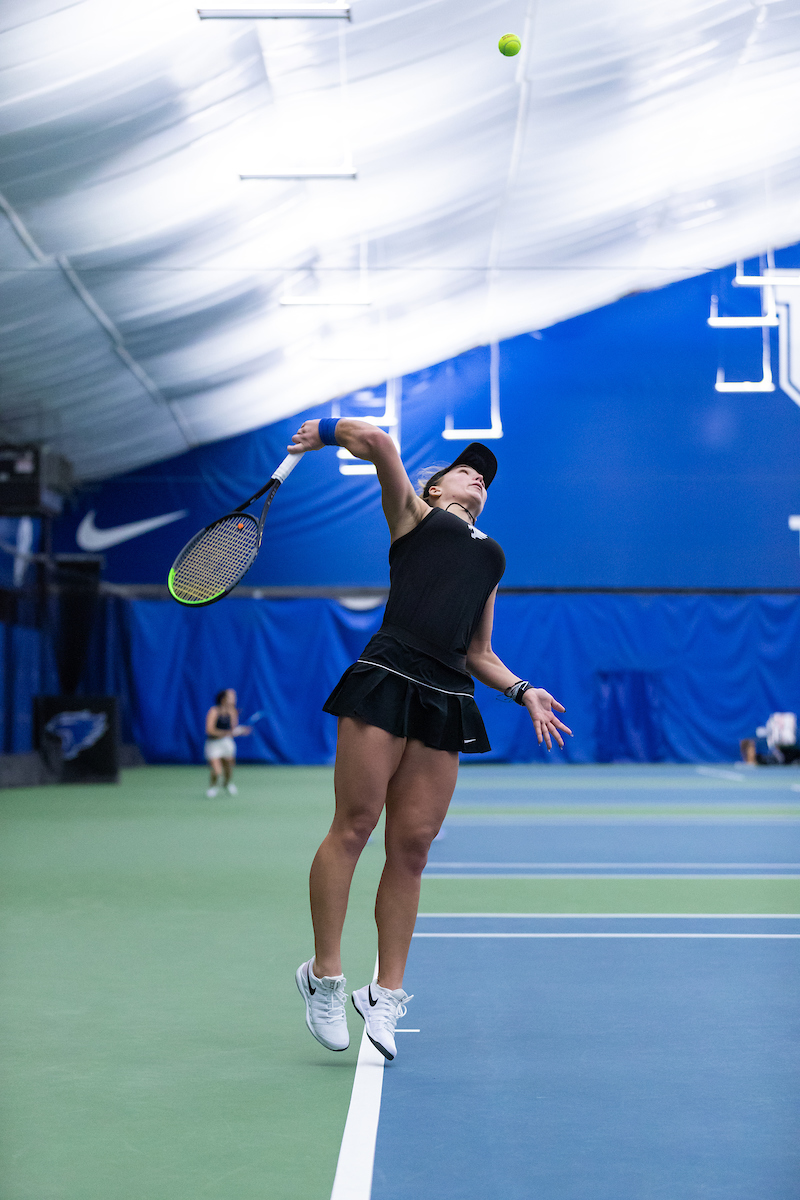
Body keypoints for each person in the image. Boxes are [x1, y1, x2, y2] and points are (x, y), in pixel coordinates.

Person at [290, 418, 572, 1061]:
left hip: (447, 694)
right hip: (387, 676)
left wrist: (522, 689)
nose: (478, 475)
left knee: (412, 848)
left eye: (486, 476)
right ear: (436, 483)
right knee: (354, 826)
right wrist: (328, 431)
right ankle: (325, 976)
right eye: (465, 468)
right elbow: (381, 443)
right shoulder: (414, 517)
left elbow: (479, 650)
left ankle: (383, 996)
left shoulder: (491, 555)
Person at [204, 689, 250, 797]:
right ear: (224, 699)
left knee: (228, 769)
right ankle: (213, 787)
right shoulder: (214, 711)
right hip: (213, 744)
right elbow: (209, 730)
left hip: (227, 744)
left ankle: (226, 784)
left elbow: (233, 730)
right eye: (231, 696)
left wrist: (240, 731)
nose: (234, 699)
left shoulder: (232, 712)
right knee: (217, 771)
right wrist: (227, 733)